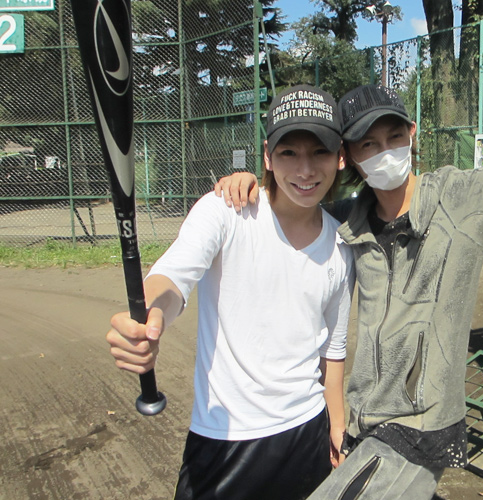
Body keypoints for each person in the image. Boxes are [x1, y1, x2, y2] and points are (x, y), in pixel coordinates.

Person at [215, 1, 483, 497]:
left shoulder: (462, 200)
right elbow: (294, 201)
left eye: (394, 136)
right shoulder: (349, 220)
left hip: (420, 424)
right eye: (368, 145)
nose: (385, 152)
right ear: (349, 156)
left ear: (412, 134)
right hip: (364, 418)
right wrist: (252, 184)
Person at [106, 85, 355, 500]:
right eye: (288, 152)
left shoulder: (342, 247)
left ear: (340, 156)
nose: (305, 169)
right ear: (267, 156)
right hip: (225, 438)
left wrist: (337, 424)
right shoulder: (226, 210)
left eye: (320, 152)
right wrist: (152, 316)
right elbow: (173, 277)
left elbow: (334, 349)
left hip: (308, 431)